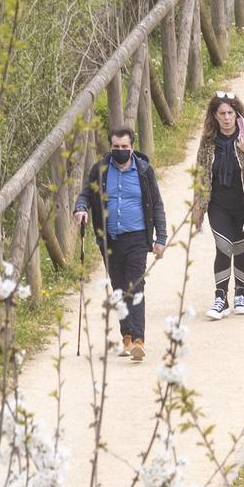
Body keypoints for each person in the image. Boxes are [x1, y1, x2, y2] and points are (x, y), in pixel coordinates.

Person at [73, 126, 168, 363]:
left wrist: (161, 238)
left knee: (134, 285)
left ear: (132, 147)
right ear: (111, 146)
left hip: (137, 237)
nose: (120, 151)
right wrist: (81, 208)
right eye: (116, 147)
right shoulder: (101, 170)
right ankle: (126, 334)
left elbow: (156, 205)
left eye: (125, 147)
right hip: (109, 239)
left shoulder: (144, 171)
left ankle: (138, 340)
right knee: (118, 287)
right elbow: (86, 194)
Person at [192, 89, 244, 320]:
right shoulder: (208, 142)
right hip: (218, 204)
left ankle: (241, 293)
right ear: (214, 115)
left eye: (231, 112)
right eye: (222, 113)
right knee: (224, 246)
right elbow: (200, 175)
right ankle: (220, 298)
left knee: (241, 247)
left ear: (237, 114)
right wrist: (198, 208)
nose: (227, 117)